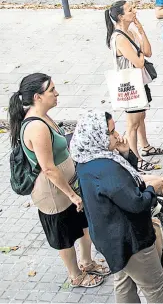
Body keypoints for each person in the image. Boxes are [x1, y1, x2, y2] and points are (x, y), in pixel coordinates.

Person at [9, 73, 109, 289]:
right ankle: (75, 275)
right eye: (52, 90)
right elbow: (48, 168)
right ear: (37, 96)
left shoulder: (45, 115)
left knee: (83, 225)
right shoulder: (36, 126)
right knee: (65, 235)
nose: (57, 93)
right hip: (54, 193)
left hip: (69, 184)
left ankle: (87, 262)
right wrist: (71, 195)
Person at [72, 111, 163, 303]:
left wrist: (126, 154)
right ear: (97, 135)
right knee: (155, 287)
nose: (117, 135)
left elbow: (125, 181)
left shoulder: (85, 159)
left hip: (109, 239)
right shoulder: (106, 169)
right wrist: (153, 189)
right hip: (130, 240)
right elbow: (136, 202)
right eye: (110, 132)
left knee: (124, 281)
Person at [105, 1, 163, 170]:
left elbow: (147, 52)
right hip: (130, 86)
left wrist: (141, 30)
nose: (135, 11)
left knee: (141, 117)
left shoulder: (130, 31)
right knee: (132, 123)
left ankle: (145, 146)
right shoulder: (119, 38)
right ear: (120, 16)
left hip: (140, 82)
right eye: (130, 10)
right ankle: (135, 157)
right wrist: (139, 54)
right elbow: (139, 62)